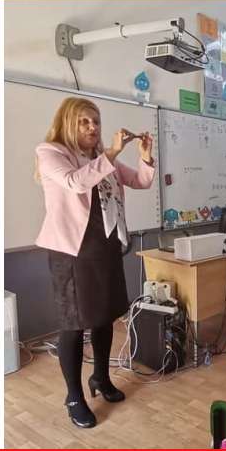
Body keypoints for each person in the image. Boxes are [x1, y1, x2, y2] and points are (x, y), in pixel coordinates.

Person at [35, 97, 156, 428]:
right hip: (72, 252)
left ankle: (100, 377)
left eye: (96, 122)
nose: (93, 127)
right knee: (74, 323)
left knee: (104, 318)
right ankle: (74, 396)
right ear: (68, 122)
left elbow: (142, 181)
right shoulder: (50, 152)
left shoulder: (101, 158)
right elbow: (75, 182)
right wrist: (112, 153)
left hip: (106, 246)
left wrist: (145, 155)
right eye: (85, 121)